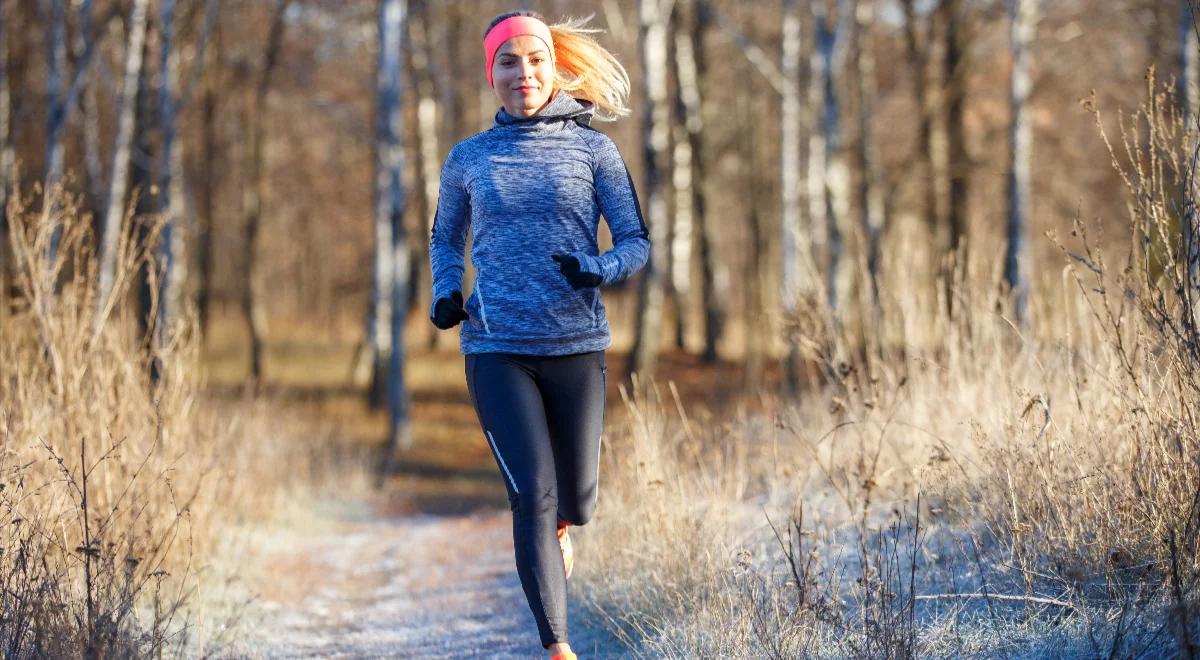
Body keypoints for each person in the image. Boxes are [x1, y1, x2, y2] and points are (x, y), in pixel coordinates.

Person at [427, 10, 650, 660]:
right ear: (490, 73)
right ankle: (556, 645)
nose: (521, 73)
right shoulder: (469, 157)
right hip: (496, 348)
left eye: (534, 60)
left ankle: (562, 528)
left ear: (554, 69)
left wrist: (600, 268)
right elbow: (446, 237)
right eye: (507, 61)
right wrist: (446, 292)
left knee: (574, 500)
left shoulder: (594, 150)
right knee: (532, 494)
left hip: (576, 345)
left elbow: (635, 240)